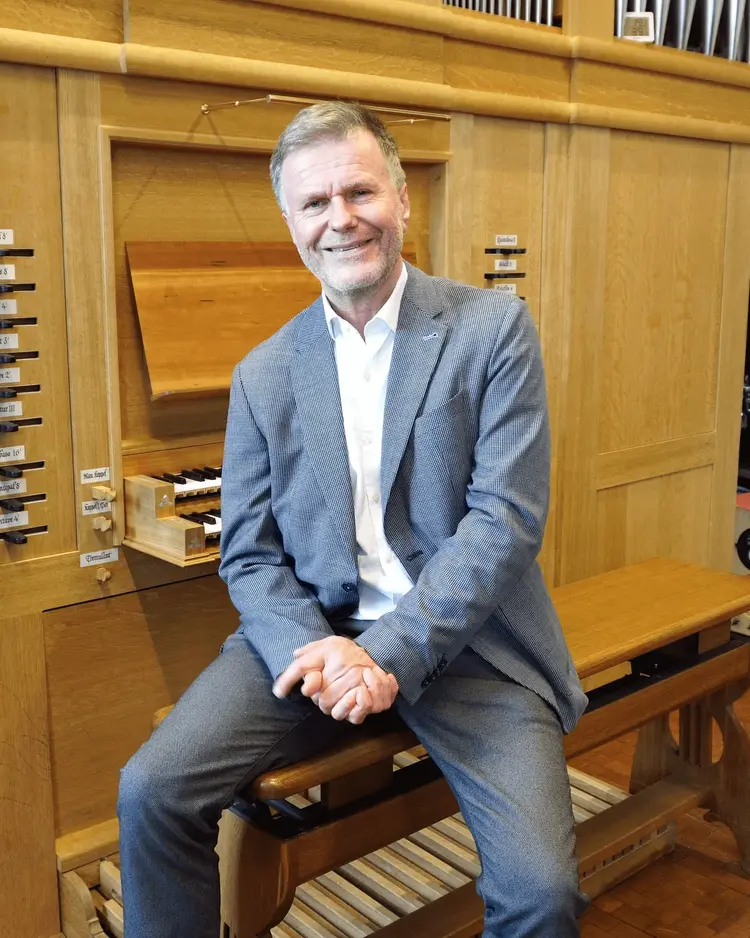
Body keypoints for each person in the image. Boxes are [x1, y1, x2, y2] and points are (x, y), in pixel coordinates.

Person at [118, 101, 589, 938]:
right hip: (315, 639)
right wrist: (322, 647)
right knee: (152, 789)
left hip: (466, 642)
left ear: (403, 201)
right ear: (291, 224)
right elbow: (253, 556)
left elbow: (505, 520)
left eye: (360, 192)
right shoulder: (263, 373)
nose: (341, 219)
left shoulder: (491, 330)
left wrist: (388, 655)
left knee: (542, 893)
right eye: (314, 203)